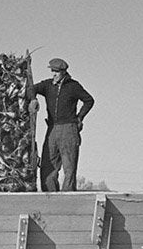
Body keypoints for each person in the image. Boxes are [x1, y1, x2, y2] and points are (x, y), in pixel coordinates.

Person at [30, 57, 95, 192]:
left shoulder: (73, 86)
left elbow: (89, 100)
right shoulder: (48, 85)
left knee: (69, 168)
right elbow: (31, 89)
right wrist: (33, 99)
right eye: (52, 71)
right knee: (47, 166)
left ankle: (68, 199)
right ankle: (51, 198)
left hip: (69, 129)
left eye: (57, 72)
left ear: (64, 72)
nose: (54, 74)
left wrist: (80, 117)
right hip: (52, 128)